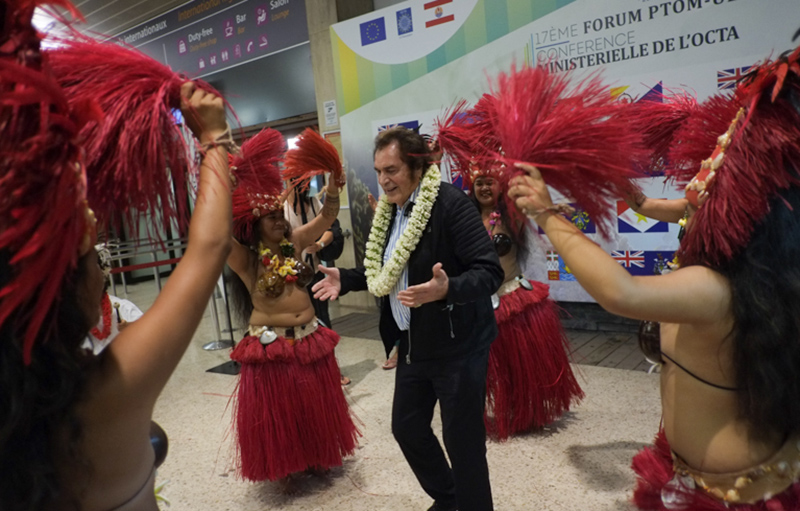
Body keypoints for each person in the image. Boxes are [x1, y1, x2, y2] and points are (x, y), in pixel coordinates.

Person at [508, 44, 800, 510]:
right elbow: (682, 207)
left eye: (712, 182)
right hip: (696, 471)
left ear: (748, 215)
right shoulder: (745, 276)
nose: (698, 181)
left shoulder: (718, 290)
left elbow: (621, 292)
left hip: (734, 494)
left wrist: (546, 214)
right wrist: (640, 203)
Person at [0, 3, 234, 507]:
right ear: (63, 290)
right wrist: (214, 137)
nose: (103, 275)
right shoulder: (103, 398)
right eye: (95, 265)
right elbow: (208, 248)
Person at [313, 126, 504, 511]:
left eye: (392, 170)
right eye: (379, 171)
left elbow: (489, 271)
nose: (383, 180)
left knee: (462, 440)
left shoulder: (450, 204)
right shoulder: (390, 212)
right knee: (407, 427)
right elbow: (386, 271)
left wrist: (446, 289)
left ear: (416, 167)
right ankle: (451, 499)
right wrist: (346, 279)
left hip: (458, 346)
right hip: (413, 345)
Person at [225, 128, 358, 488]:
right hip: (272, 345)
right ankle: (286, 462)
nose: (280, 221)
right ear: (255, 225)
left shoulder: (295, 241)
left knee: (315, 405)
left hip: (310, 336)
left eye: (280, 215)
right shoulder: (246, 259)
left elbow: (326, 220)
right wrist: (224, 189)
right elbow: (218, 239)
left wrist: (333, 186)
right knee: (280, 412)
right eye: (271, 217)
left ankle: (317, 455)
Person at [470, 169, 583, 441]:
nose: (485, 187)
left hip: (511, 296)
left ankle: (525, 411)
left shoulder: (511, 215)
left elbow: (534, 207)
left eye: (490, 182)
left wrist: (551, 208)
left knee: (518, 365)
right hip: (478, 301)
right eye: (479, 183)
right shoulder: (465, 217)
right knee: (479, 370)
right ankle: (474, 413)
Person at [284, 182, 351, 385]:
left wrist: (319, 244)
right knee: (295, 327)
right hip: (289, 279)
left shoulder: (312, 202)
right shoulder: (281, 207)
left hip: (313, 272)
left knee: (322, 321)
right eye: (292, 179)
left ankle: (331, 369)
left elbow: (331, 227)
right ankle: (304, 373)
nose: (297, 184)